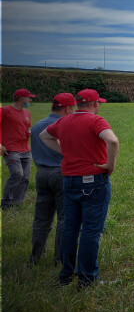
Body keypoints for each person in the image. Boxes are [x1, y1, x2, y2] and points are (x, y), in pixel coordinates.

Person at [39, 88, 119, 288]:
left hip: (69, 180)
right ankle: (87, 278)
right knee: (91, 230)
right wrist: (110, 165)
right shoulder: (95, 120)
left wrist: (66, 152)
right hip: (93, 181)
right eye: (98, 103)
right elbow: (113, 140)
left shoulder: (64, 121)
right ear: (94, 104)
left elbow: (43, 136)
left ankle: (66, 274)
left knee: (70, 228)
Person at [29, 93, 76, 265]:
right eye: (73, 108)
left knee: (41, 219)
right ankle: (60, 259)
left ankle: (35, 257)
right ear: (68, 108)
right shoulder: (65, 126)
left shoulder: (36, 126)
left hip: (41, 173)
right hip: (61, 174)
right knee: (64, 218)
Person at [1, 88, 37, 209]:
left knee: (25, 177)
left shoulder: (27, 113)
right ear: (22, 99)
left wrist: (31, 133)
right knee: (17, 174)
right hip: (10, 149)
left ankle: (17, 204)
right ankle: (5, 203)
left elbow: (25, 129)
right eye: (29, 97)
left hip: (26, 149)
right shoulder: (5, 111)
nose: (30, 100)